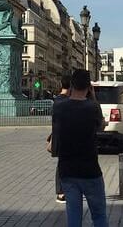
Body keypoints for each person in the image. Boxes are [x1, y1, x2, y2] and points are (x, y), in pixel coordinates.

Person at [51, 69, 108, 227]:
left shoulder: (59, 107)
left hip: (67, 170)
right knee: (99, 215)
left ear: (71, 85)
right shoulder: (92, 107)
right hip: (90, 170)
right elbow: (101, 126)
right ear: (89, 87)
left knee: (74, 216)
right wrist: (94, 98)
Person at [48, 73, 73, 204]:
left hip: (60, 138)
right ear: (71, 87)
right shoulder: (65, 102)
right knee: (63, 166)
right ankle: (61, 192)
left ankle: (63, 191)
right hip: (64, 139)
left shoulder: (57, 100)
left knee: (63, 165)